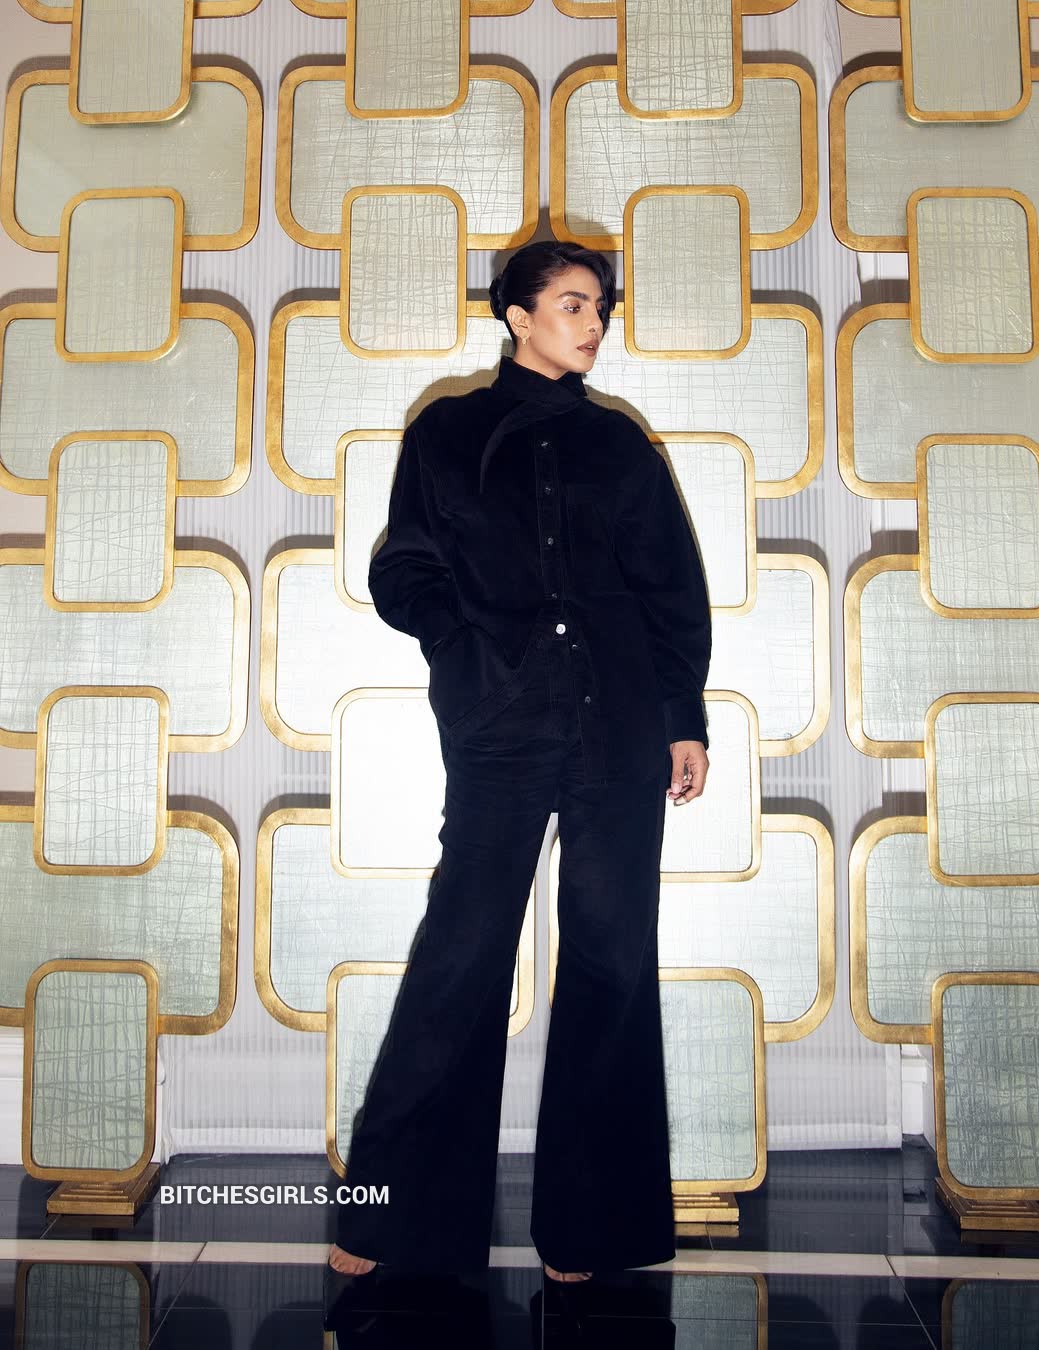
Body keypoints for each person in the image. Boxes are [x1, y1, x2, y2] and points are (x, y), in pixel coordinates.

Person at [327, 239, 711, 1286]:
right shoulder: (447, 433)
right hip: (498, 728)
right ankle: (389, 1220)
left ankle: (591, 1231)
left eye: (602, 308)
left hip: (618, 729)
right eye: (574, 304)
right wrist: (465, 645)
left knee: (610, 963)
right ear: (518, 316)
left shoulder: (621, 446)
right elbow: (404, 569)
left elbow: (671, 591)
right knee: (460, 958)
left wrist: (682, 717)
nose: (595, 323)